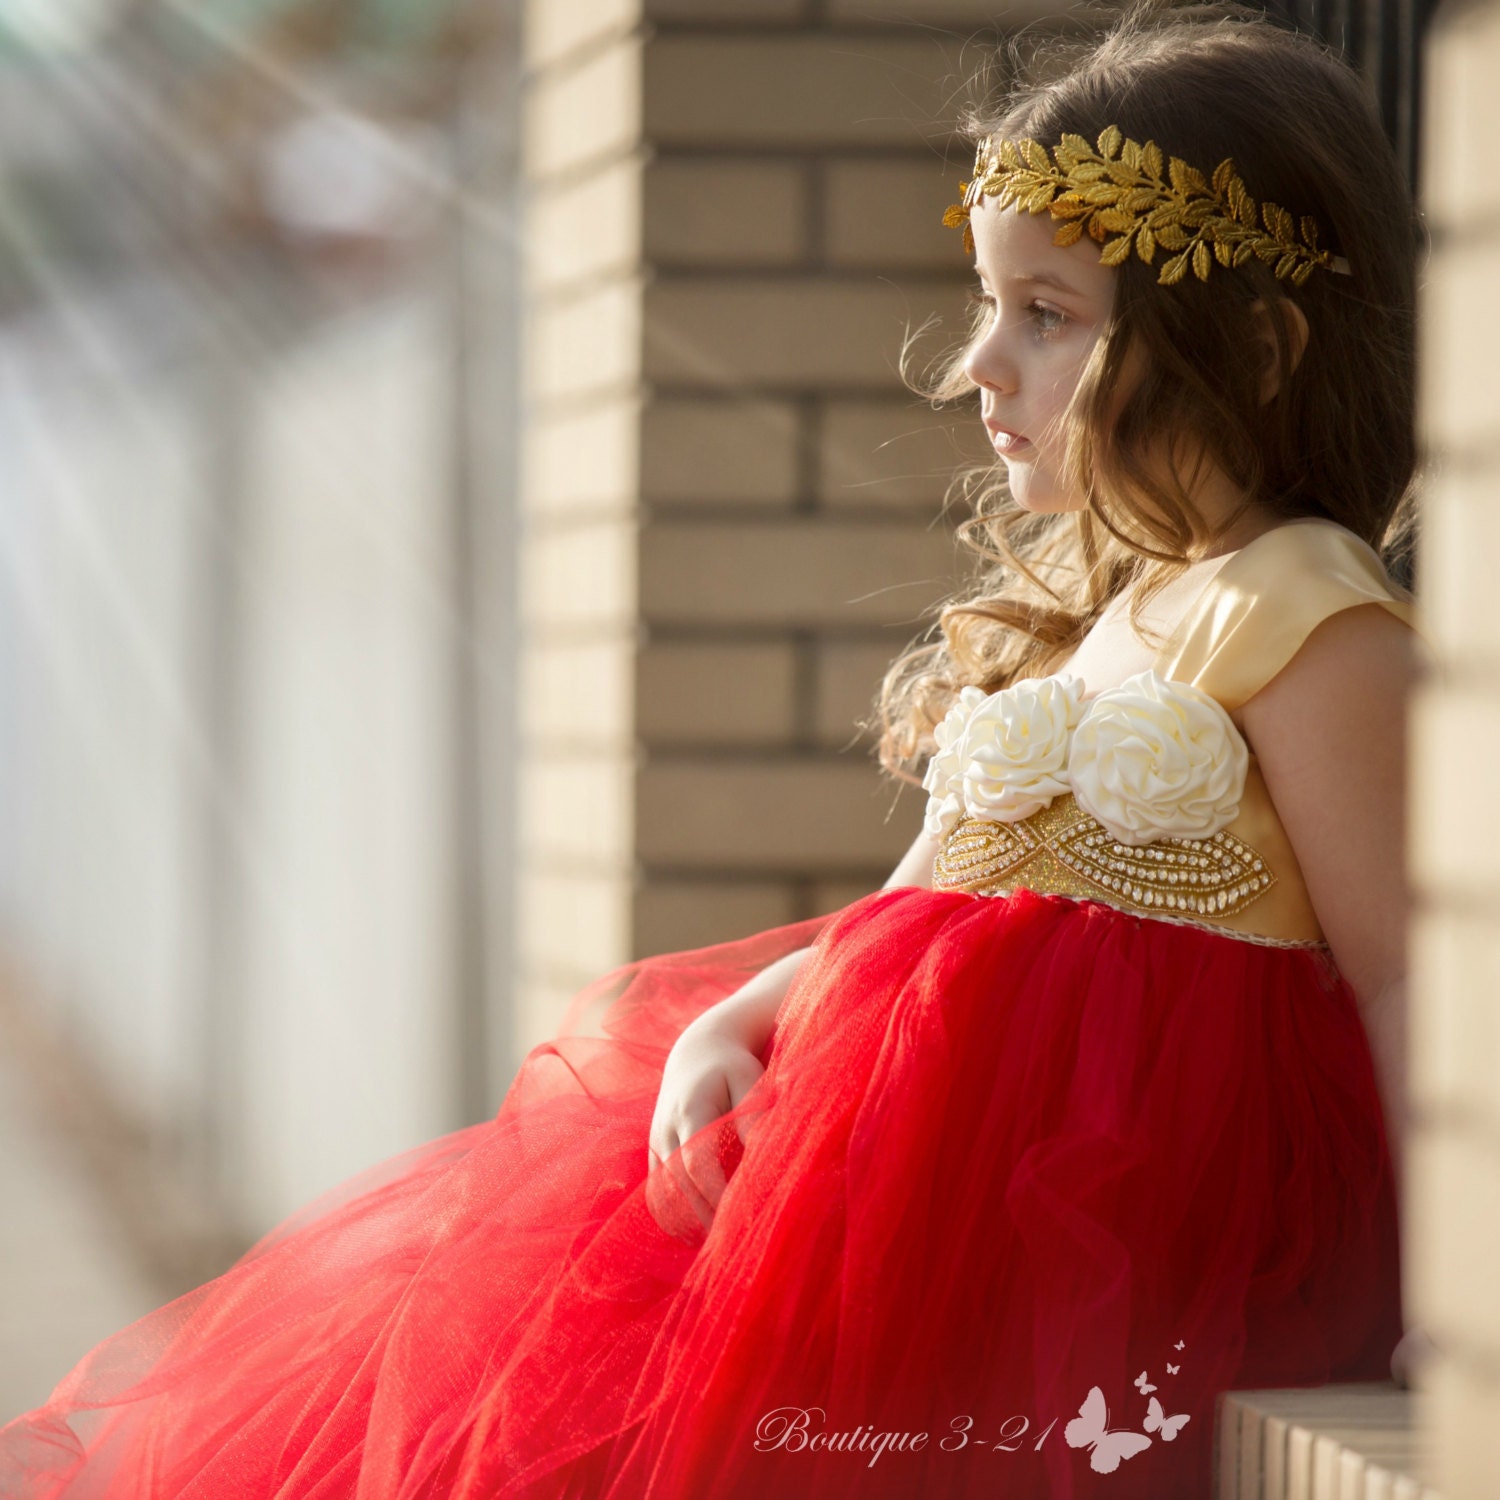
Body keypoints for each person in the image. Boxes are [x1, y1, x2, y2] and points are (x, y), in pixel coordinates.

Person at [0, 2, 1430, 1495]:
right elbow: (922, 902)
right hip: (898, 1204)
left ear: (1256, 344)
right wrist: (738, 1016)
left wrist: (1456, 1286)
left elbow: (1409, 976)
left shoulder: (1308, 612)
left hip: (1113, 1236)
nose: (977, 367)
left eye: (1046, 316)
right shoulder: (1127, 614)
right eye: (988, 306)